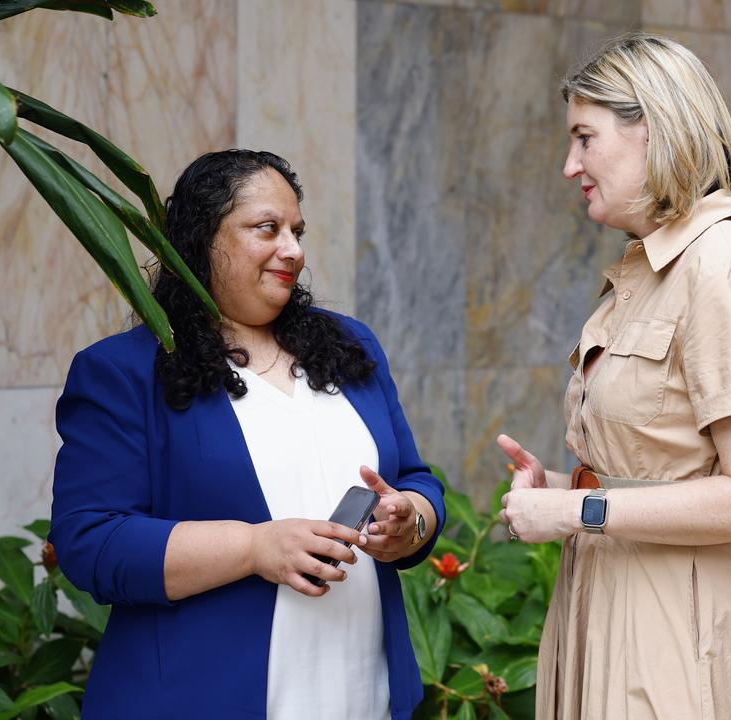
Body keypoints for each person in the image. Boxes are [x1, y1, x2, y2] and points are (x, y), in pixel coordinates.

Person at [49, 150, 445, 719]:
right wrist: (253, 548)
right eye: (268, 229)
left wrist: (410, 519)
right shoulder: (123, 371)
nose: (294, 250)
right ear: (202, 239)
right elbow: (90, 542)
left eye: (297, 231)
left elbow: (414, 479)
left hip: (365, 698)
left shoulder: (350, 345)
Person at [495, 34, 731, 719]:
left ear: (653, 130)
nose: (569, 164)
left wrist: (578, 511)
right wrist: (559, 488)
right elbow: (669, 468)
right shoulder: (653, 271)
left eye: (584, 137)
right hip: (613, 598)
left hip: (681, 624)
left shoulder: (723, 268)